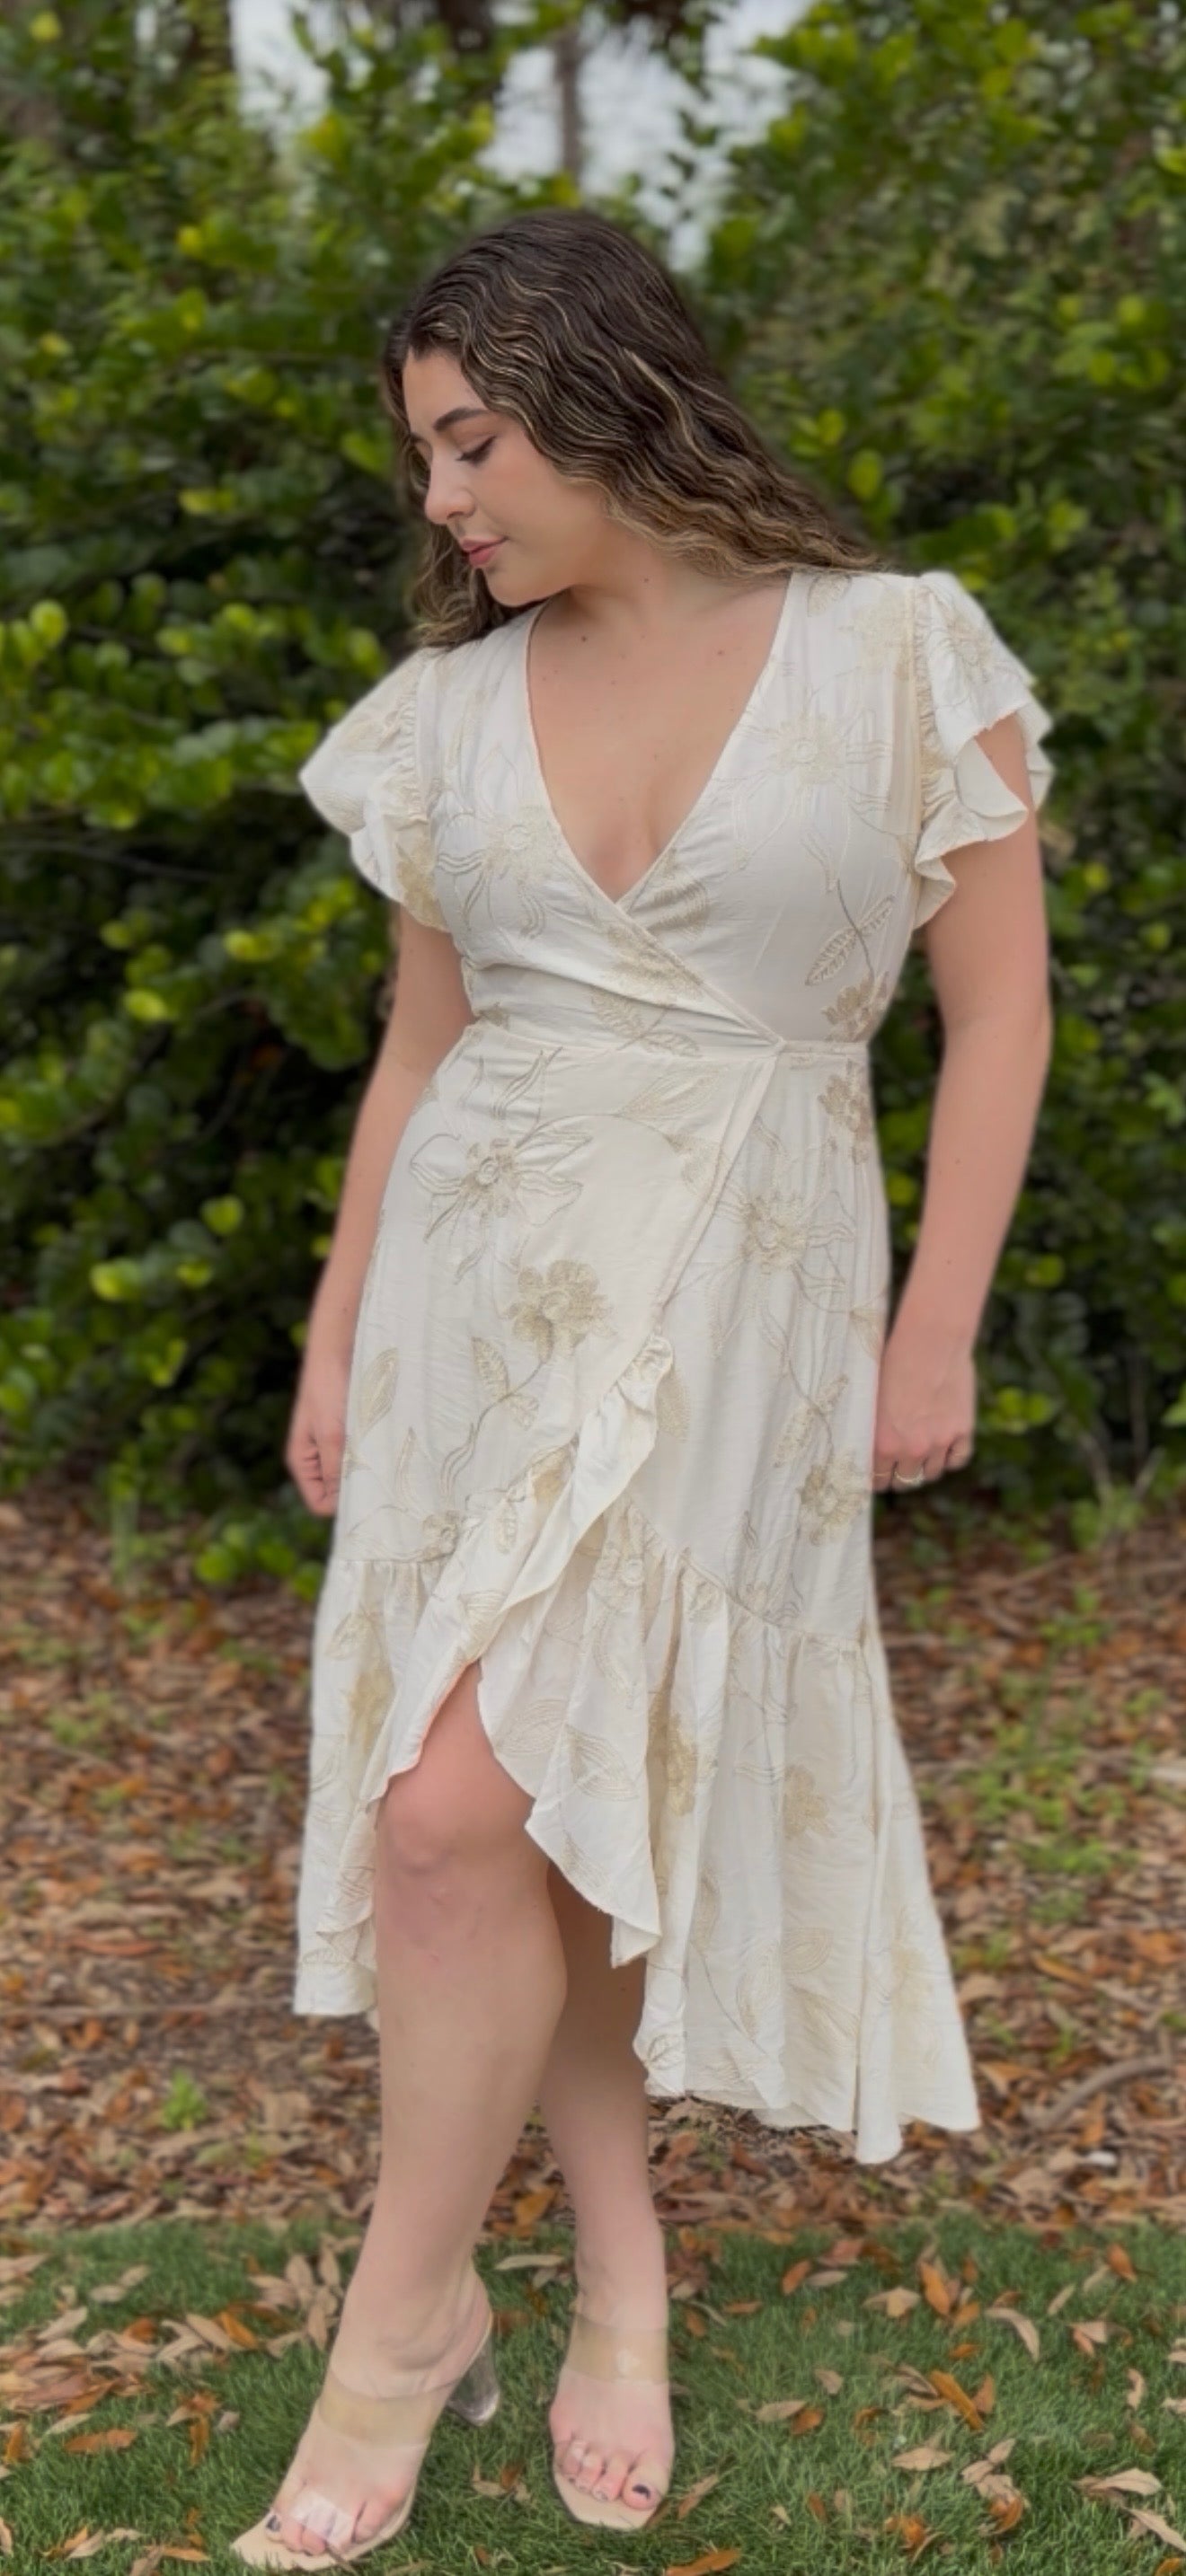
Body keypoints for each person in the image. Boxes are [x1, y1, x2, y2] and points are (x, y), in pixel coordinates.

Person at [232, 207, 1054, 2571]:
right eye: (424, 456)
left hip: (747, 1286)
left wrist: (940, 1318)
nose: (444, 499)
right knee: (498, 1812)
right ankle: (605, 2282)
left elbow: (1000, 1004)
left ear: (603, 393)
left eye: (472, 441)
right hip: (477, 1297)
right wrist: (335, 1322)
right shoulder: (446, 714)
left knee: (487, 1800)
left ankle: (396, 2333)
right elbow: (422, 1049)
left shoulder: (900, 655)